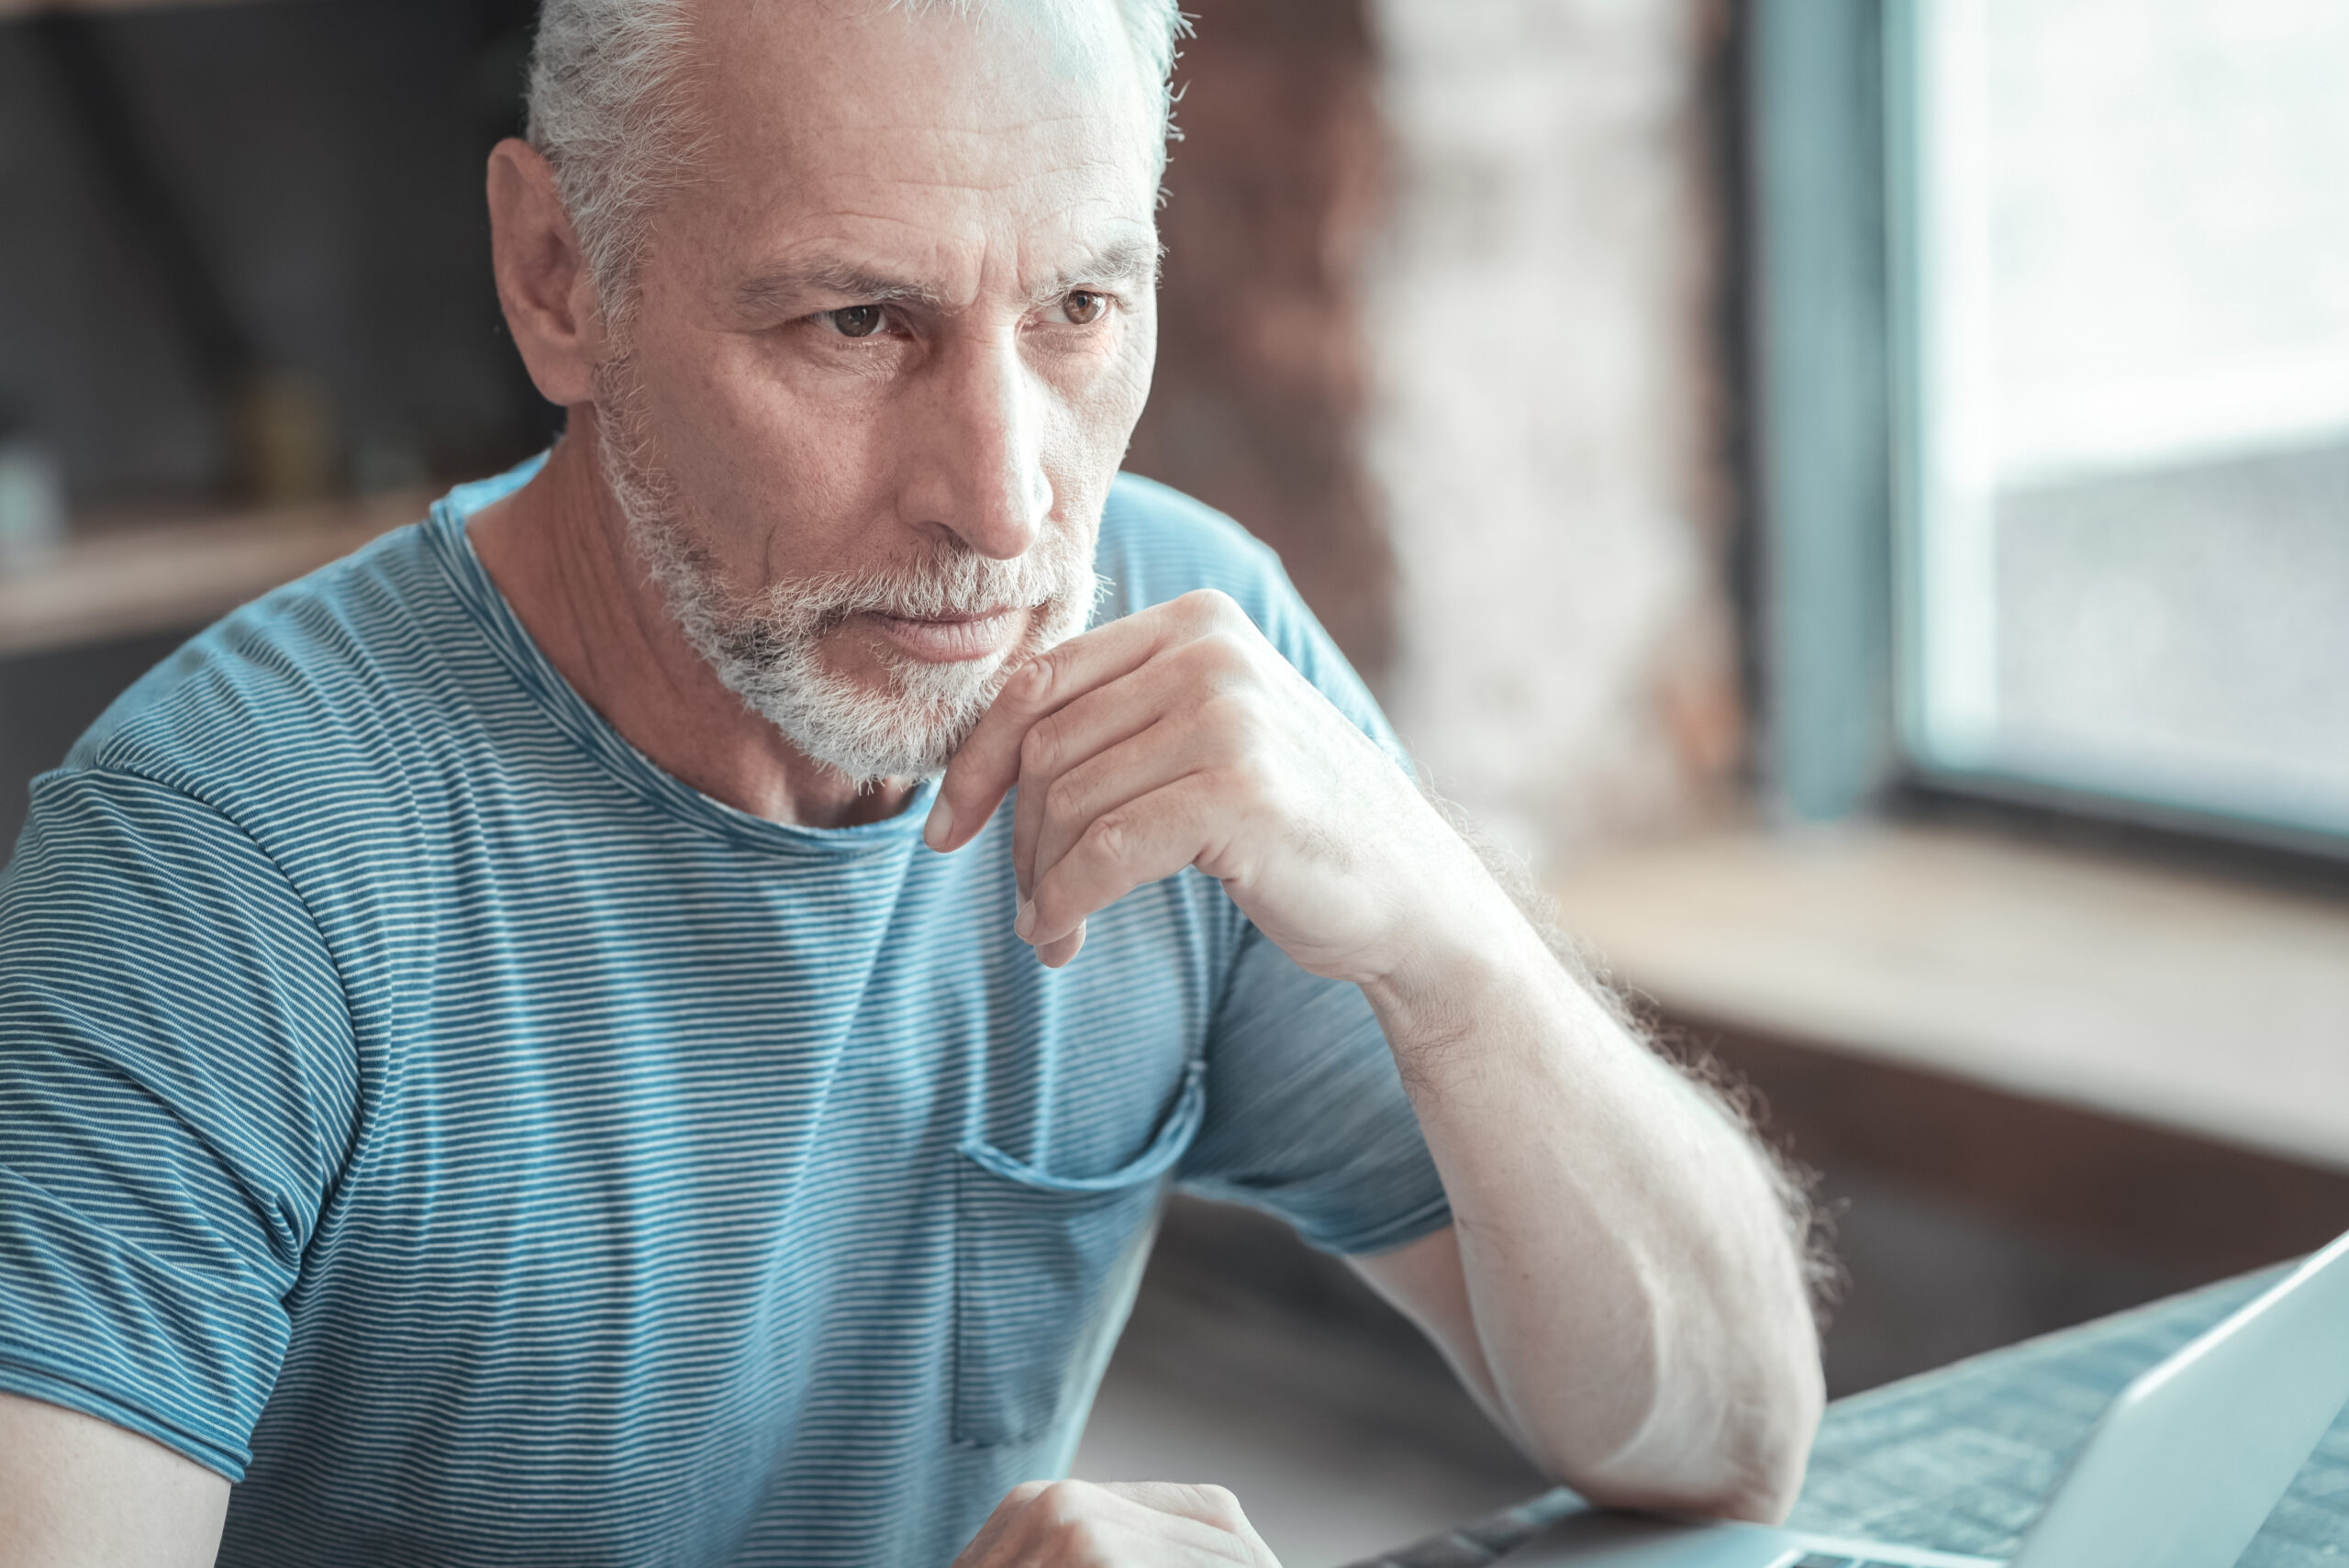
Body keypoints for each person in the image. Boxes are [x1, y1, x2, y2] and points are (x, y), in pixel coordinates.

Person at [0, 0, 1825, 1562]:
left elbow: (1722, 1433)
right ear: (558, 283)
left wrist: (1449, 941)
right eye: (855, 326)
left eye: (1079, 310)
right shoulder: (216, 867)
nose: (1008, 505)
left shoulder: (1194, 656)